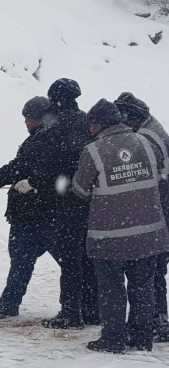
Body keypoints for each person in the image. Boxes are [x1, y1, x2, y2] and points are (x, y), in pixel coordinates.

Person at [71, 99, 169, 353]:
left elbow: (80, 190)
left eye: (91, 124)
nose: (90, 129)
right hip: (148, 233)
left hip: (110, 235)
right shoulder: (146, 143)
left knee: (112, 288)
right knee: (142, 289)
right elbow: (158, 175)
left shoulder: (93, 150)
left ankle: (113, 339)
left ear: (99, 124)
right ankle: (141, 339)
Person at [0, 97, 59, 318]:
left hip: (31, 213)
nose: (26, 122)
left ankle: (9, 304)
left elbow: (18, 167)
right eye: (25, 118)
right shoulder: (52, 138)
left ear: (42, 118)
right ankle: (86, 304)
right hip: (45, 213)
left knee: (21, 262)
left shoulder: (42, 140)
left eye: (30, 118)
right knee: (63, 261)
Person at [34, 79, 98, 329]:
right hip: (91, 200)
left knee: (70, 259)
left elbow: (47, 166)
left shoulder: (56, 127)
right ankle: (93, 310)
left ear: (54, 100)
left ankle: (71, 312)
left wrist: (35, 182)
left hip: (67, 200)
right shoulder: (88, 122)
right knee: (89, 256)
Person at [115, 92, 169, 342]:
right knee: (155, 270)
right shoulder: (151, 129)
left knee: (154, 270)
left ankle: (157, 322)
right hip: (162, 205)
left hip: (160, 208)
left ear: (131, 118)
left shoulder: (146, 138)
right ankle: (157, 320)